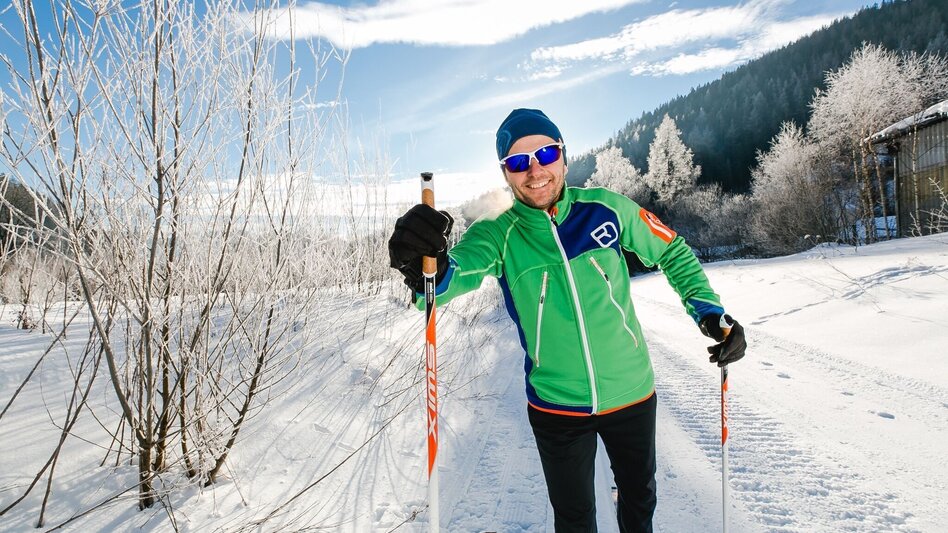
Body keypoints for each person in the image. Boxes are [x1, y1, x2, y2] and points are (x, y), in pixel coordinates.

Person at [388, 108, 746, 533]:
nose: (535, 171)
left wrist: (709, 312)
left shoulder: (605, 209)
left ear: (564, 156)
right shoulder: (499, 232)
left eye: (545, 154)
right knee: (574, 520)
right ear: (505, 173)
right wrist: (420, 264)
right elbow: (448, 279)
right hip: (556, 406)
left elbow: (670, 249)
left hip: (632, 392)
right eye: (518, 162)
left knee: (640, 500)